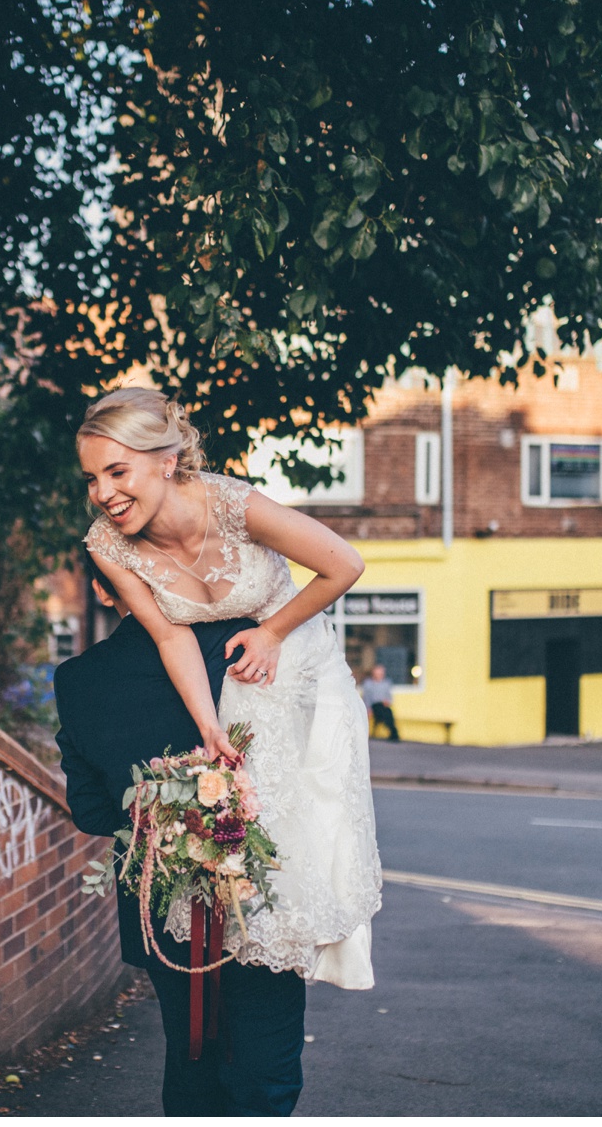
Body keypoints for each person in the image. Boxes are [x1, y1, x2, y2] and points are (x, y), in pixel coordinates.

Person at [76, 386, 383, 992]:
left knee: (307, 832)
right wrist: (209, 726)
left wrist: (271, 632)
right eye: (91, 478)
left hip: (299, 670)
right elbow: (170, 637)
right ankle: (242, 960)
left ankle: (300, 954)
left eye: (117, 471)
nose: (103, 493)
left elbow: (344, 564)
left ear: (165, 460)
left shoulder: (233, 503)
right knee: (238, 815)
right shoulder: (107, 546)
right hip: (229, 685)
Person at [55, 562, 305, 1115]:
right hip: (260, 894)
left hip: (159, 901)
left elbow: (93, 811)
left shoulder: (77, 678)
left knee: (192, 1056)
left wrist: (164, 822)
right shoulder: (241, 643)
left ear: (100, 589)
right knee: (267, 1063)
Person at [361, 663, 400, 741]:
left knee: (388, 712)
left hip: (383, 705)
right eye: (378, 673)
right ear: (373, 673)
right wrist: (368, 709)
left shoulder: (386, 683)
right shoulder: (368, 684)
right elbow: (366, 698)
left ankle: (393, 733)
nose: (380, 675)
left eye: (381, 673)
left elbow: (389, 696)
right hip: (374, 706)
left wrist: (388, 701)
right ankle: (394, 734)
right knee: (384, 711)